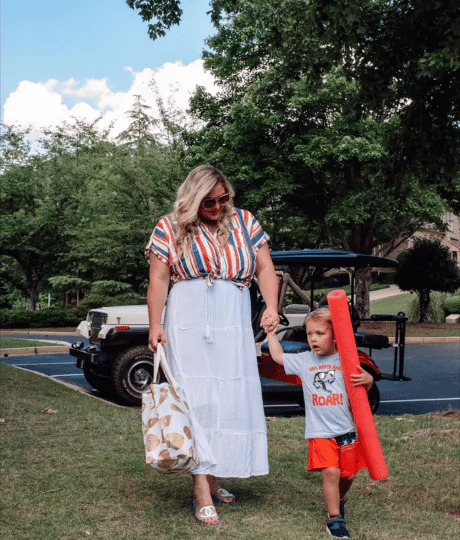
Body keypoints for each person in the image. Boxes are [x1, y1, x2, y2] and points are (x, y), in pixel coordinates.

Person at [145, 165, 279, 526]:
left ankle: (214, 474)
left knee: (227, 400)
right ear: (193, 198)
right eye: (209, 201)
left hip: (233, 317)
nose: (218, 206)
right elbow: (158, 280)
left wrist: (271, 306)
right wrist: (155, 324)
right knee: (196, 399)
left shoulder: (245, 222)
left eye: (223, 199)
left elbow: (266, 269)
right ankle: (201, 489)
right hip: (188, 318)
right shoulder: (169, 227)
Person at [267, 308, 378, 538]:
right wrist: (271, 333)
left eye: (320, 333)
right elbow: (278, 357)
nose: (313, 339)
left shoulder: (347, 359)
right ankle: (335, 519)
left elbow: (364, 386)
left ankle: (339, 498)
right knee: (331, 472)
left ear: (336, 335)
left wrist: (369, 379)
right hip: (320, 431)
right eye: (309, 333)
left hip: (346, 429)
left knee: (348, 475)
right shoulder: (304, 360)